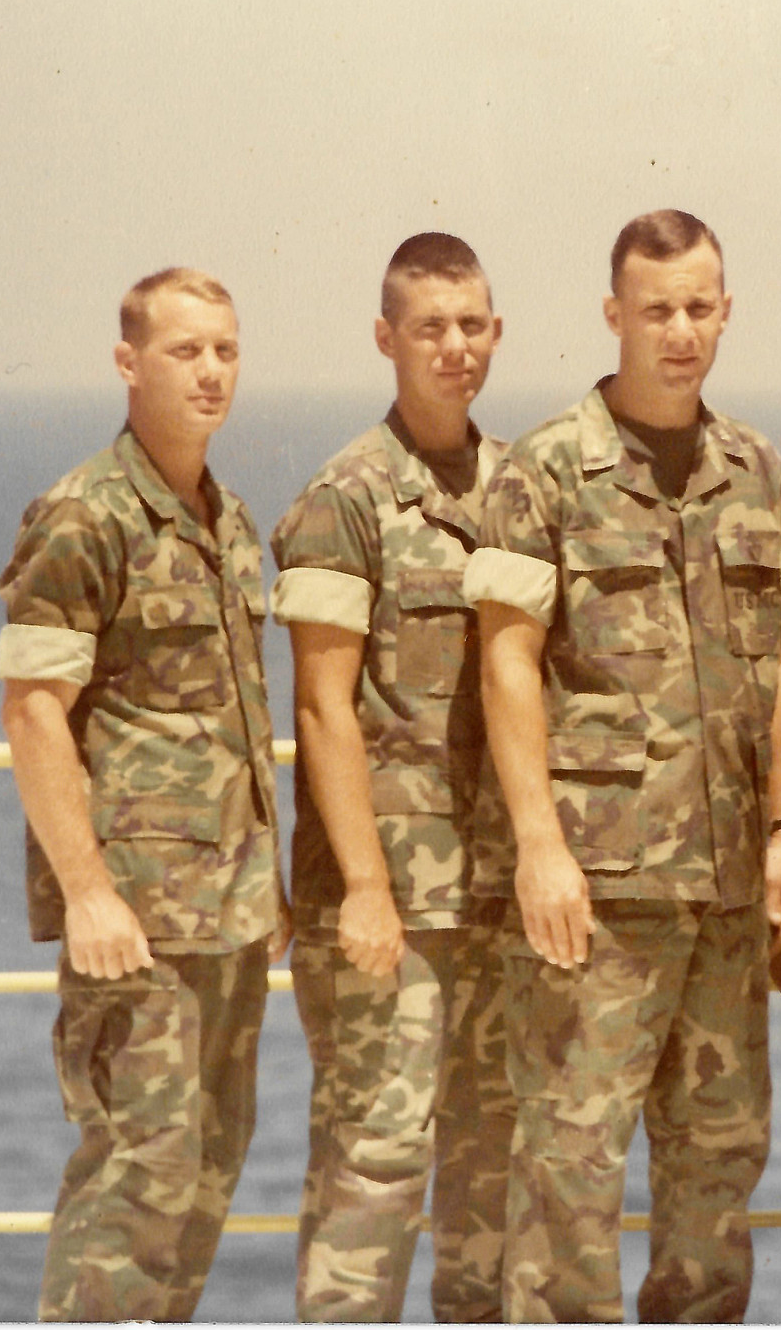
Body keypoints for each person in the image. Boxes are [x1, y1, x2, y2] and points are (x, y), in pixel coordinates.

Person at [462, 209, 781, 1323]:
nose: (678, 331)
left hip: (728, 891)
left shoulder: (755, 469)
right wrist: (539, 849)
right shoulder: (544, 472)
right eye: (655, 309)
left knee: (716, 1169)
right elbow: (505, 663)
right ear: (614, 316)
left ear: (725, 311)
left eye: (698, 307)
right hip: (595, 897)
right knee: (569, 1173)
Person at [0, 267, 286, 1321]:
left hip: (228, 919)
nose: (210, 371)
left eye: (225, 349)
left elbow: (231, 726)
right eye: (183, 350)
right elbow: (32, 711)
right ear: (128, 363)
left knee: (202, 1179)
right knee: (132, 1188)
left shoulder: (225, 519)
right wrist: (86, 893)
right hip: (136, 925)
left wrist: (268, 889)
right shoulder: (86, 515)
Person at [268, 233, 517, 1321]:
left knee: (493, 1172)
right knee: (375, 1163)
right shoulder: (347, 498)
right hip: (387, 907)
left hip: (498, 900)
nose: (453, 348)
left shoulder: (517, 487)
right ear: (387, 339)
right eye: (429, 328)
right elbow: (323, 706)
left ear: (495, 334)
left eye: (470, 325)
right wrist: (366, 886)